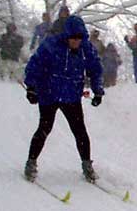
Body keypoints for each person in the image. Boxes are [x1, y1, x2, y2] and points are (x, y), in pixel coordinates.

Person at [23, 15, 104, 184]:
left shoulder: (86, 49)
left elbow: (95, 70)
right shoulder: (51, 45)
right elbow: (34, 64)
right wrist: (31, 87)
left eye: (79, 38)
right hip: (49, 94)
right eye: (73, 38)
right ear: (66, 36)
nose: (76, 41)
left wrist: (98, 91)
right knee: (45, 128)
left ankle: (87, 164)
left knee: (79, 130)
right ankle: (31, 162)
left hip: (71, 96)